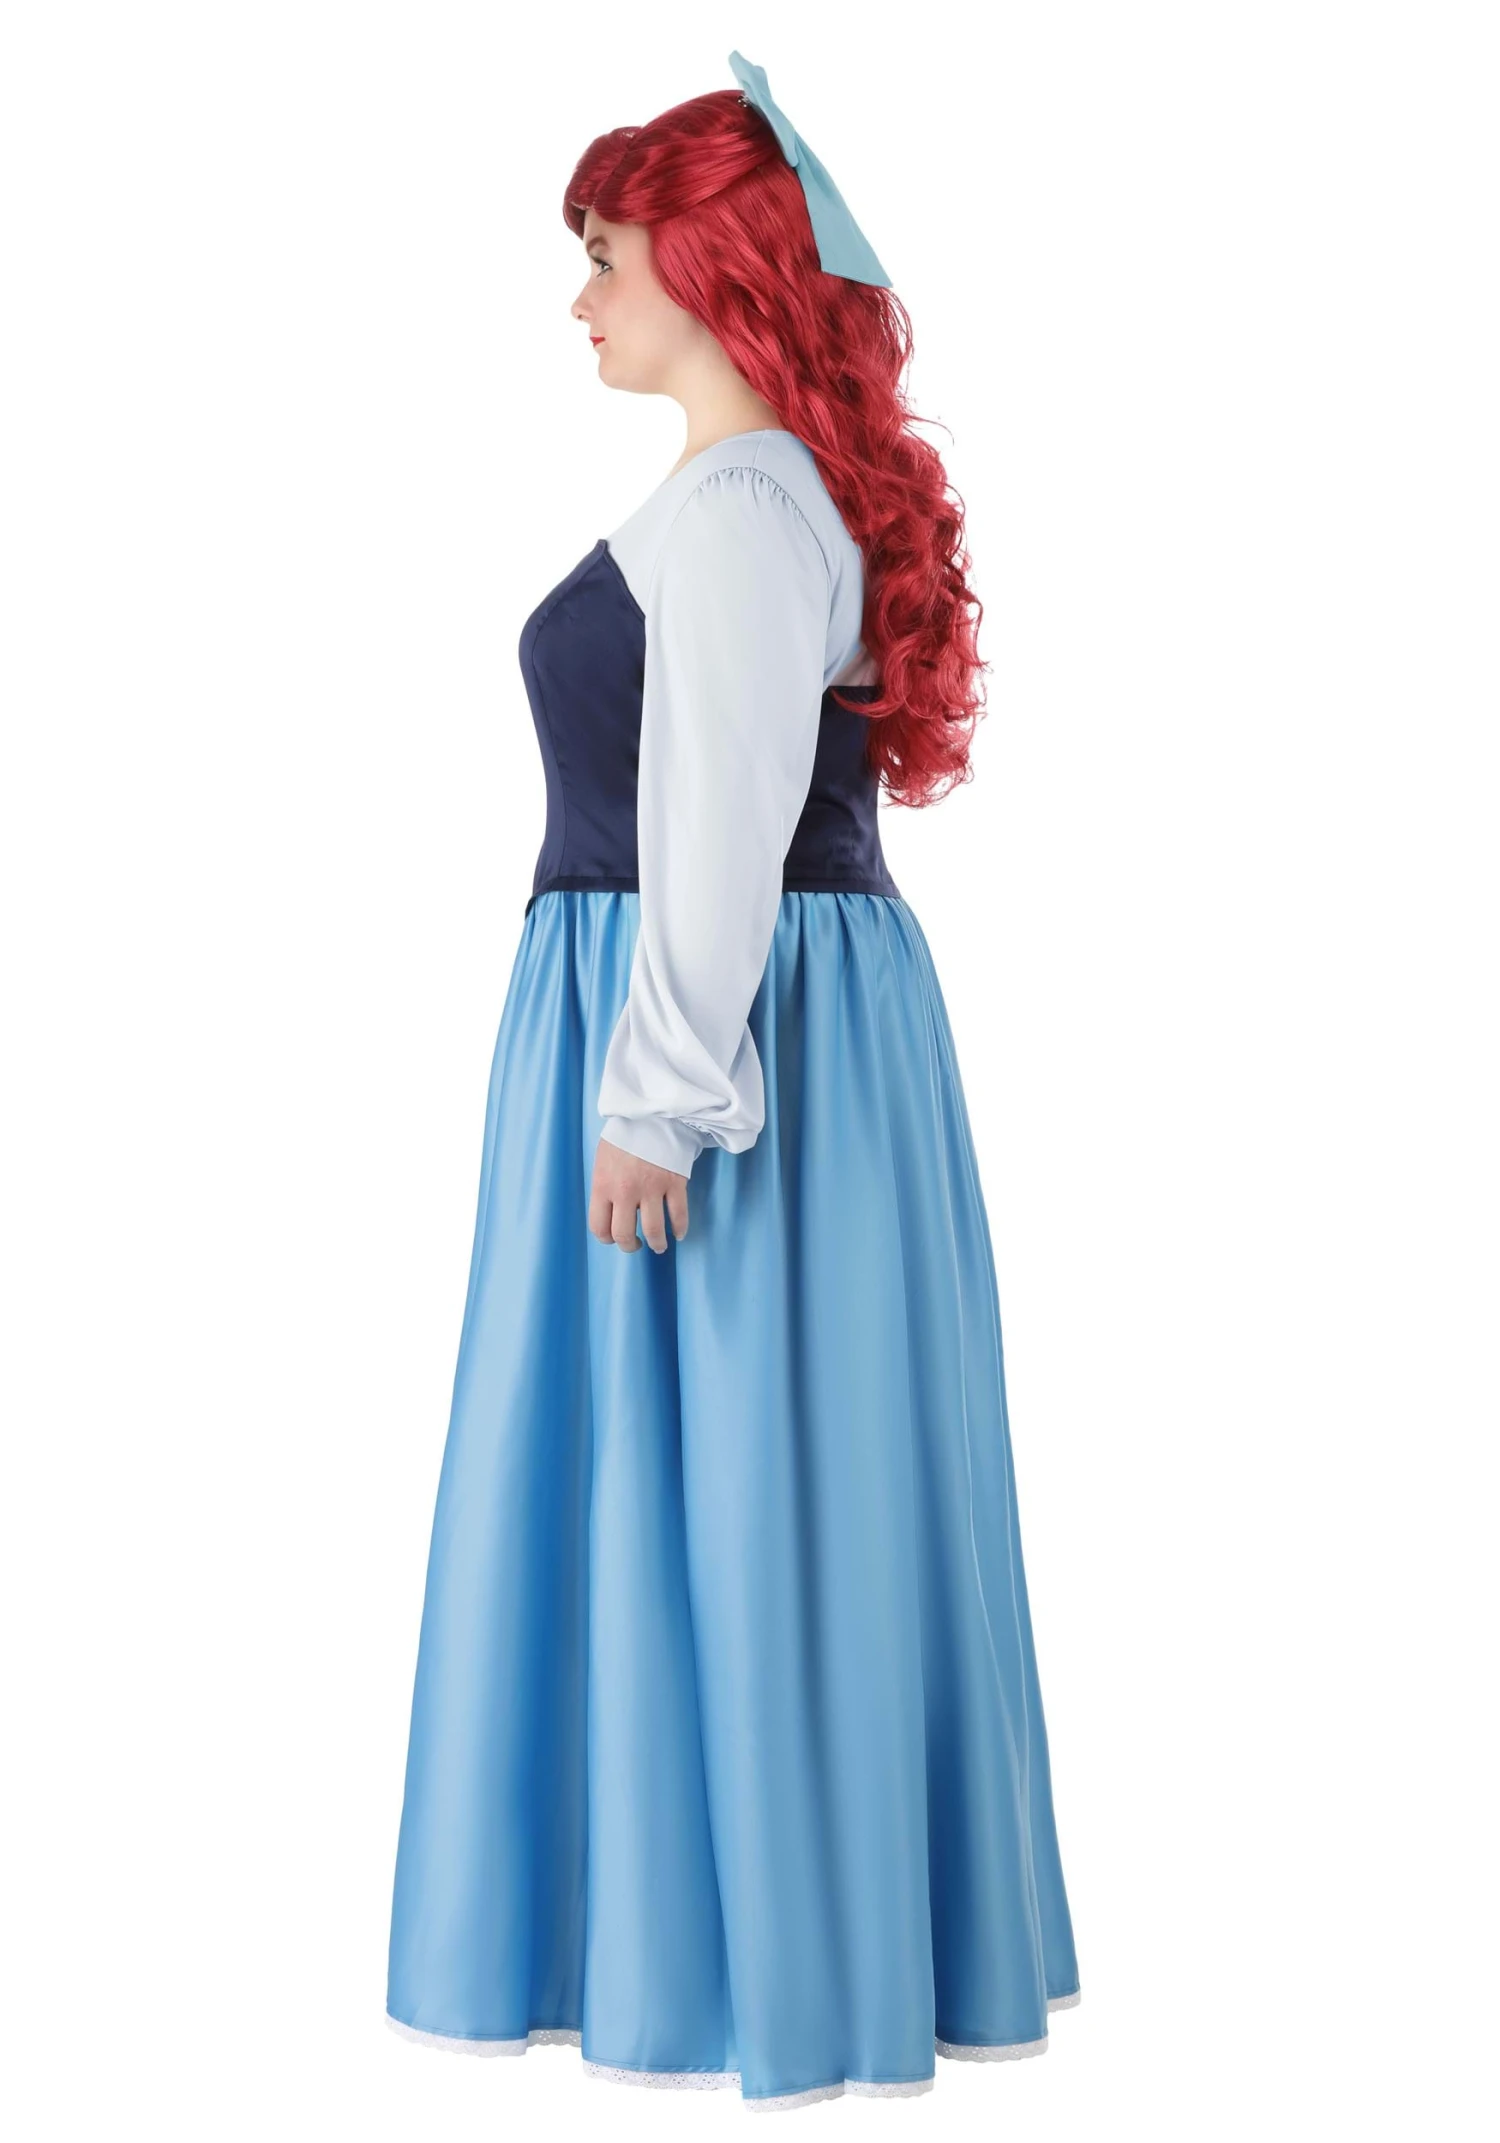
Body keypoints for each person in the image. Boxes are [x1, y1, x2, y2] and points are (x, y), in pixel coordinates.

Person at [386, 53, 1080, 2112]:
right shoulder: (746, 497)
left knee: (739, 1476)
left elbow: (719, 817)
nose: (580, 299)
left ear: (708, 268)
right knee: (717, 1477)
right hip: (728, 1019)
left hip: (729, 1041)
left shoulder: (749, 507)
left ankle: (750, 1961)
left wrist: (658, 1088)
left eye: (605, 257)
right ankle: (709, 1933)